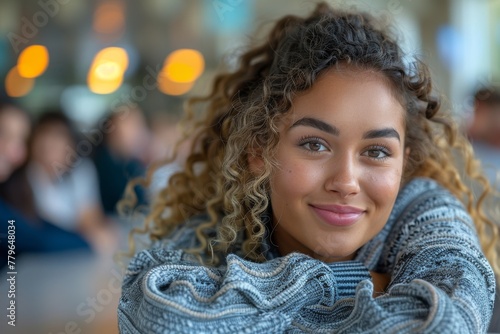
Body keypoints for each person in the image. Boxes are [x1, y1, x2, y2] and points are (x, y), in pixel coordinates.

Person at [118, 3, 499, 333]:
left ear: (405, 160)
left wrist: (247, 311)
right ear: (259, 152)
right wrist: (362, 284)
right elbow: (157, 316)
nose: (346, 182)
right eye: (314, 144)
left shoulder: (424, 210)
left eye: (378, 151)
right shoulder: (221, 227)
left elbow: (444, 323)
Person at [0, 103, 90, 268]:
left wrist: (87, 238)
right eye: (3, 133)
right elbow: (37, 240)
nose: (13, 150)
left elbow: (38, 225)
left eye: (21, 140)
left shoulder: (10, 188)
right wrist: (89, 242)